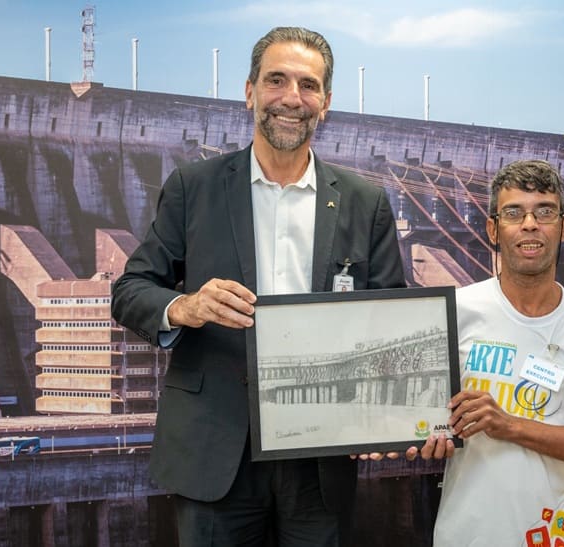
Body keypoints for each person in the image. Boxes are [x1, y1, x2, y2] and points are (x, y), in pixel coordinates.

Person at [111, 27, 405, 547]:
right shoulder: (193, 187)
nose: (292, 99)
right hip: (215, 449)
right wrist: (185, 306)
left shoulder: (366, 202)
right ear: (249, 92)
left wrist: (385, 415)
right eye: (277, 81)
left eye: (308, 86)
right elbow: (132, 288)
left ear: (326, 103)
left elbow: (390, 319)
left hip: (322, 455)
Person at [409, 160, 564, 547]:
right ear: (494, 229)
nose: (530, 224)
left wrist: (508, 425)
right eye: (514, 213)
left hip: (546, 539)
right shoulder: (455, 311)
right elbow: (413, 416)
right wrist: (420, 436)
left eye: (544, 211)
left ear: (562, 228)